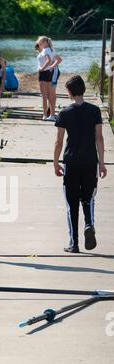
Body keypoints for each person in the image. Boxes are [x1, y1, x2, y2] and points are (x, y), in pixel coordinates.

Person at [54, 75, 107, 253]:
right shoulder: (94, 110)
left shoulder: (64, 113)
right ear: (83, 89)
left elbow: (59, 142)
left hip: (71, 161)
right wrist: (102, 163)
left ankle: (73, 243)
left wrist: (55, 163)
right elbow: (99, 138)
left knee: (71, 204)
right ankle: (89, 224)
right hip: (90, 161)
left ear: (69, 92)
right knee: (88, 198)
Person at [36, 36, 58, 121]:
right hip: (50, 73)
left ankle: (45, 115)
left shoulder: (45, 50)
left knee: (44, 96)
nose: (39, 45)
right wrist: (51, 67)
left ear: (45, 43)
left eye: (40, 43)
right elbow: (58, 60)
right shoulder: (51, 49)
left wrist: (42, 68)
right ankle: (52, 115)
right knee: (51, 96)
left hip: (44, 73)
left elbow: (48, 60)